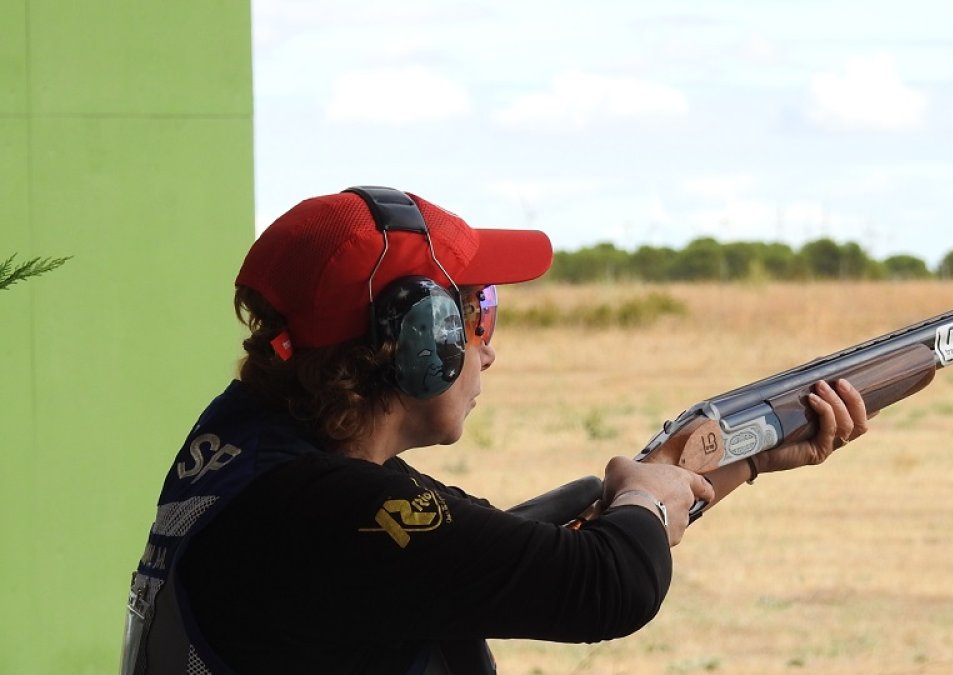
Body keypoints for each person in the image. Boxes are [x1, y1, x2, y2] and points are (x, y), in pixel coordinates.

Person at [121, 186, 869, 674]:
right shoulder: (325, 506)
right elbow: (609, 585)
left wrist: (741, 458)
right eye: (478, 314)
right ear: (421, 337)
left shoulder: (257, 455)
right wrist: (639, 492)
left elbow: (489, 556)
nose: (489, 348)